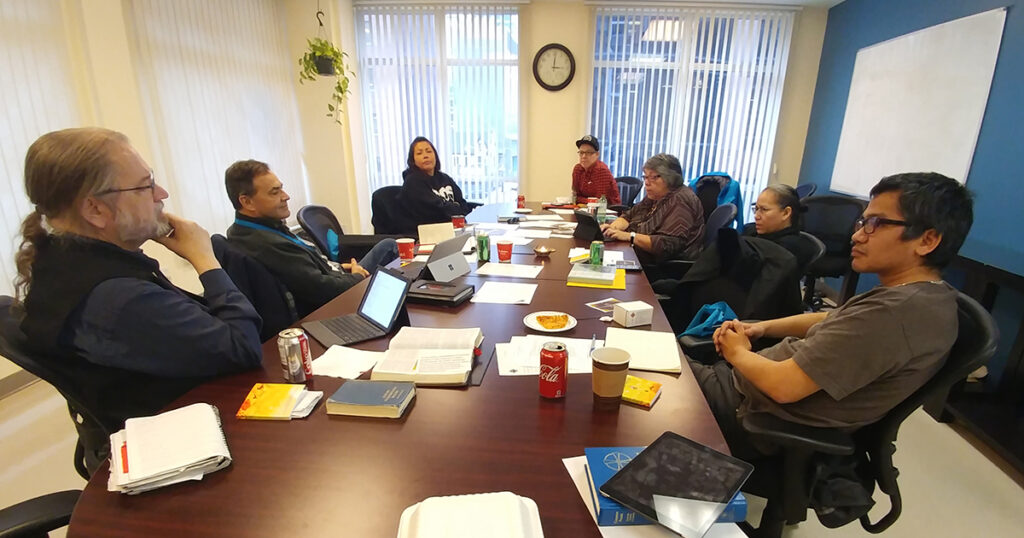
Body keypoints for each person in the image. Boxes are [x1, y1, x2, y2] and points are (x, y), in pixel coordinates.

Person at [692, 172, 973, 459]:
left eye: (876, 223)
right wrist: (761, 328)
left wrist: (736, 352)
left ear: (927, 240)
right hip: (746, 392)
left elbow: (783, 386)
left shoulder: (892, 314)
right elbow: (832, 318)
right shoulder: (920, 295)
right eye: (863, 222)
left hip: (746, 411)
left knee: (649, 367)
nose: (857, 235)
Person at [15, 127, 264, 437]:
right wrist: (204, 258)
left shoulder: (66, 263)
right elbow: (243, 348)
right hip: (187, 441)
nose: (161, 194)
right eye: (146, 186)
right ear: (95, 209)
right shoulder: (116, 298)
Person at [224, 160, 398, 318]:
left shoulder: (255, 228)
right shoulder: (265, 243)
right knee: (390, 250)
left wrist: (337, 267)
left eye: (281, 188)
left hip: (335, 275)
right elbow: (321, 289)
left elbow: (302, 271)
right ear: (247, 202)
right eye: (275, 192)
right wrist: (357, 277)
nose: (286, 196)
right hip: (333, 304)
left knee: (388, 247)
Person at [600, 153, 705, 264]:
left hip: (662, 268)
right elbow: (629, 215)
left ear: (671, 178)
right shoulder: (656, 195)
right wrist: (612, 229)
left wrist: (629, 236)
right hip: (637, 254)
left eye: (653, 177)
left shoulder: (680, 200)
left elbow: (668, 245)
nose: (647, 182)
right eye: (645, 176)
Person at [393, 137, 472, 235]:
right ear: (413, 160)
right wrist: (455, 207)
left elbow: (463, 204)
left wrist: (455, 209)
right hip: (427, 235)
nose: (425, 156)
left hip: (453, 231)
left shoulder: (445, 178)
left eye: (429, 151)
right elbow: (436, 211)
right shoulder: (412, 182)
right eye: (419, 153)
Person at [743, 185, 818, 271]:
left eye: (764, 209)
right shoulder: (751, 230)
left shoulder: (789, 250)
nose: (756, 216)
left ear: (786, 213)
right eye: (756, 209)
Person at [571, 135, 620, 205]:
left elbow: (599, 202)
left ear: (597, 154)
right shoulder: (578, 169)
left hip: (607, 211)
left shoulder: (601, 171)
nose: (584, 156)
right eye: (581, 152)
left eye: (588, 153)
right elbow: (575, 197)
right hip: (585, 209)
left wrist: (581, 200)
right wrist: (583, 200)